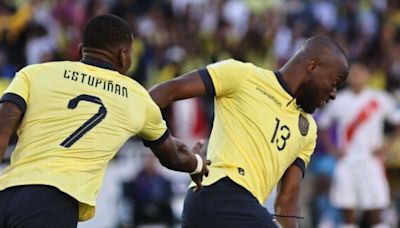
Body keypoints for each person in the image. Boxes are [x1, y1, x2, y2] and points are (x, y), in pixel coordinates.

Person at [0, 14, 210, 228]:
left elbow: (2, 130)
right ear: (124, 55)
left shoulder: (34, 73)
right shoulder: (136, 97)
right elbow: (172, 156)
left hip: (6, 191)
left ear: (82, 49)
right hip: (54, 201)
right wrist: (197, 164)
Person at [149, 35, 350, 228]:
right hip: (217, 192)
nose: (333, 94)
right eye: (334, 83)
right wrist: (164, 144)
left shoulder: (308, 130)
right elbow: (166, 92)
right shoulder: (243, 76)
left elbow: (288, 198)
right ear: (312, 66)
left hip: (239, 208)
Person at [318, 62, 400, 228]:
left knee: (375, 211)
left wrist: (386, 146)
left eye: (359, 73)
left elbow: (397, 120)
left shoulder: (379, 98)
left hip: (371, 161)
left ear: (367, 76)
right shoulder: (339, 100)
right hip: (346, 162)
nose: (355, 76)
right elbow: (323, 124)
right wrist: (332, 149)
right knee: (348, 213)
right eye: (352, 74)